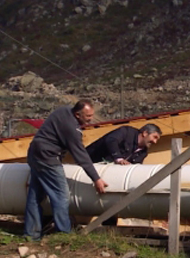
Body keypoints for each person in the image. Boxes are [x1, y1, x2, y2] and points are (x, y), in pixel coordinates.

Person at [24, 100, 108, 241]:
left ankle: (31, 234)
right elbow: (80, 155)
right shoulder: (72, 129)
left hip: (34, 154)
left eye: (92, 115)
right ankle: (63, 234)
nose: (90, 119)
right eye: (87, 116)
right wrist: (96, 178)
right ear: (77, 114)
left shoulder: (63, 110)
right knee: (61, 196)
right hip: (48, 158)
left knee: (35, 196)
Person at [86, 124, 162, 165]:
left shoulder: (143, 153)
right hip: (89, 162)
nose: (155, 142)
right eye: (154, 137)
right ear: (145, 133)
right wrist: (119, 158)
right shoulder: (126, 132)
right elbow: (111, 140)